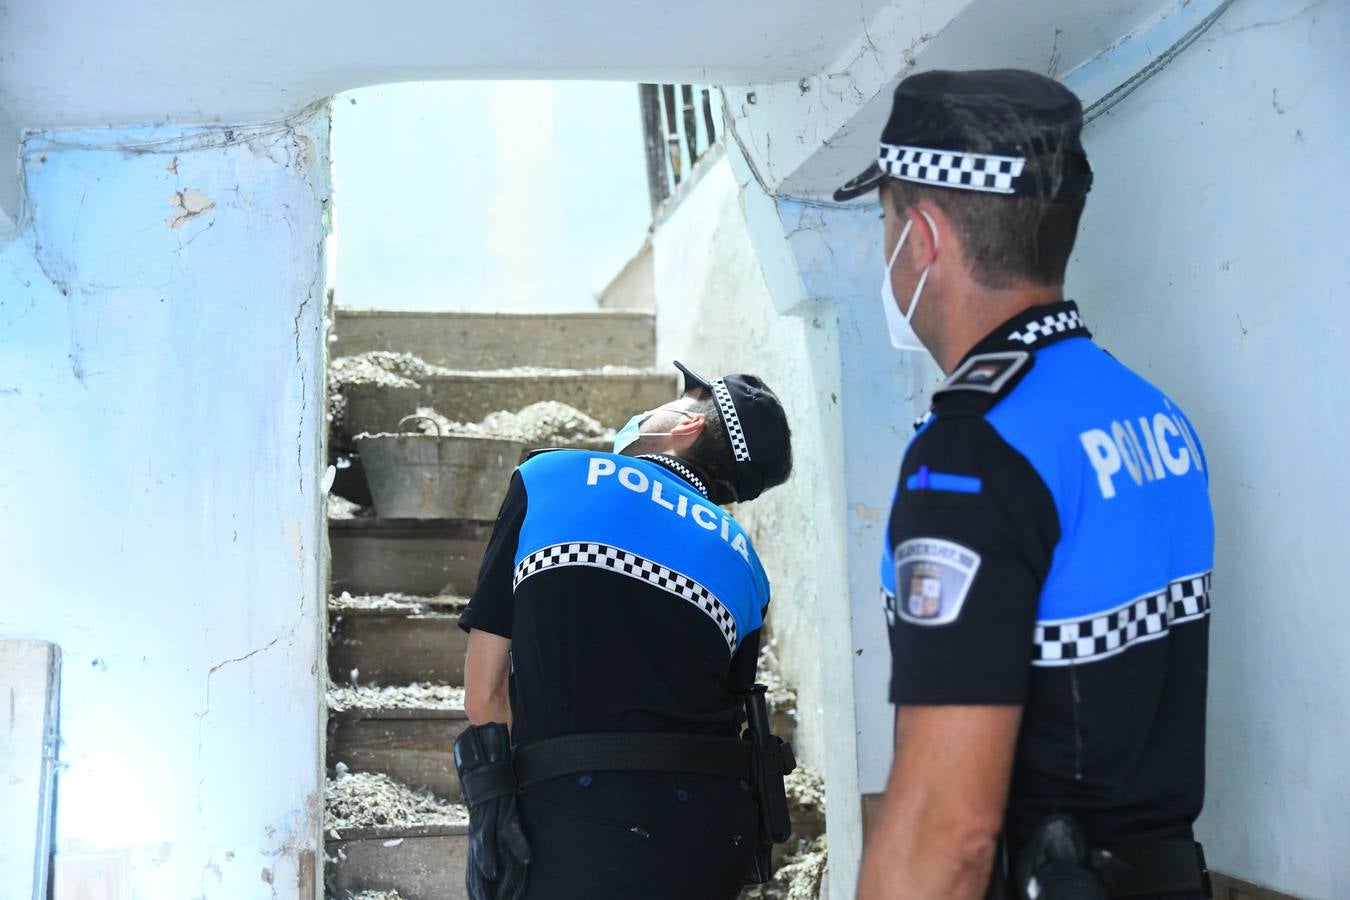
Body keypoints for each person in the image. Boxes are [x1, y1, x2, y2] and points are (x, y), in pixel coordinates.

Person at [833, 69, 1216, 899]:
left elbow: (949, 828)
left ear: (923, 236)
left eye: (886, 219)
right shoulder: (1152, 415)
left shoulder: (972, 456)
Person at [453, 361, 795, 900]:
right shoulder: (745, 562)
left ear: (685, 427)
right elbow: (732, 719)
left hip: (573, 830)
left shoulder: (549, 478)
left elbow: (484, 697)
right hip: (711, 840)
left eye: (680, 398)